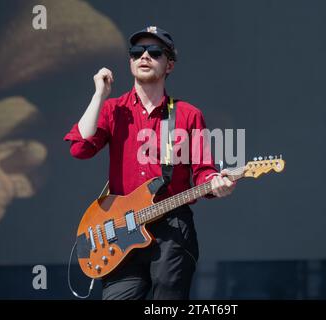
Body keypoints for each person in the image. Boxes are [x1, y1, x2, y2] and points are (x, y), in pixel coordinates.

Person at [64, 26, 235, 300]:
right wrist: (99, 95)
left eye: (154, 52)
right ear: (130, 61)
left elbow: (203, 172)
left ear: (169, 65)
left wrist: (216, 184)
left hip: (172, 228)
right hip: (121, 230)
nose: (144, 56)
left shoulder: (188, 115)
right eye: (136, 52)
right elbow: (80, 148)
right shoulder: (112, 109)